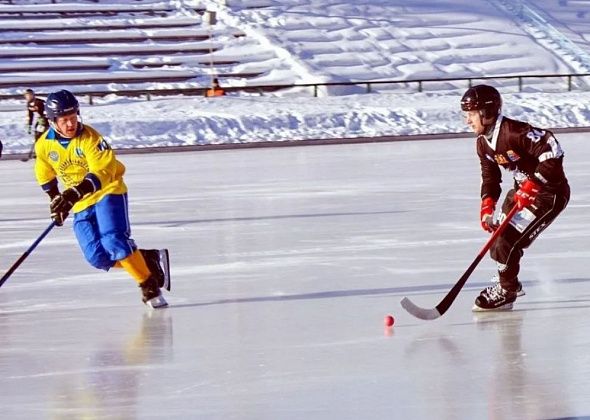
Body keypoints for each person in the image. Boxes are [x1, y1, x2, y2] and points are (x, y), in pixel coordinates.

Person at [34, 89, 170, 308]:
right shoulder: (44, 145)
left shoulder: (90, 138)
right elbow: (45, 172)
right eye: (64, 120)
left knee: (113, 240)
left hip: (108, 191)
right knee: (97, 257)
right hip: (81, 202)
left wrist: (74, 193)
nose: (70, 124)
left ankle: (149, 285)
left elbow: (103, 171)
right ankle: (146, 259)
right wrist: (56, 199)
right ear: (53, 122)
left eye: (73, 118)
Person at [461, 84, 570, 311]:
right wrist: (487, 205)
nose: (467, 121)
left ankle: (507, 291)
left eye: (471, 115)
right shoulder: (482, 143)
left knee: (505, 242)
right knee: (497, 241)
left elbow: (552, 150)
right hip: (520, 191)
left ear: (486, 113)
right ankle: (509, 282)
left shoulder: (513, 132)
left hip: (548, 195)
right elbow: (490, 177)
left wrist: (533, 185)